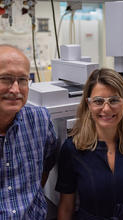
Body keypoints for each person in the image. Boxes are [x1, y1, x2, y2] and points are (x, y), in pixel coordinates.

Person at [55, 68, 123, 220]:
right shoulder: (72, 149)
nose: (106, 109)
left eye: (114, 100)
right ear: (88, 104)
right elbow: (66, 207)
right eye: (98, 101)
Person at [0, 44, 57, 219]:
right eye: (6, 79)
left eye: (23, 80)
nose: (15, 89)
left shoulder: (40, 121)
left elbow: (48, 161)